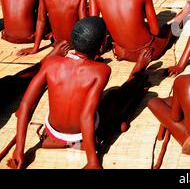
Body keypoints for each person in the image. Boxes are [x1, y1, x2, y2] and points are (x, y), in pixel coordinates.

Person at [7, 17, 154, 169]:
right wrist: (92, 161)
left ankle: (61, 141)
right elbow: (86, 115)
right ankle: (137, 71)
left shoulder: (51, 62)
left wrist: (19, 150)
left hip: (54, 130)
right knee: (114, 96)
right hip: (81, 133)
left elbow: (26, 104)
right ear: (102, 45)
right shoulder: (101, 71)